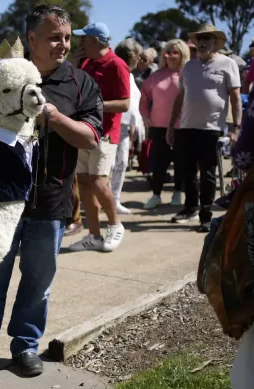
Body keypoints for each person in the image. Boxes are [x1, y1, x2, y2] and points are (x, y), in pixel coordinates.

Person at [0, 4, 103, 380]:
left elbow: (90, 138)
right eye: (55, 37)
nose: (63, 44)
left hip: (51, 200)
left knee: (38, 283)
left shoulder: (81, 84)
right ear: (32, 39)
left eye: (68, 38)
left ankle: (25, 346)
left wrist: (55, 118)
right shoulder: (3, 75)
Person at [166, 24, 242, 232]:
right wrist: (172, 125)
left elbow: (235, 99)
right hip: (187, 126)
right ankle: (189, 208)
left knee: (208, 173)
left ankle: (205, 215)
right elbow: (179, 98)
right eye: (199, 39)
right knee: (187, 172)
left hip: (212, 127)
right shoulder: (188, 67)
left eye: (206, 39)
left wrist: (236, 127)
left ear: (215, 42)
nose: (202, 42)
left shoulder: (228, 64)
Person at [68, 22, 129, 252]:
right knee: (83, 182)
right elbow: (73, 88)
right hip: (84, 130)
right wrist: (74, 64)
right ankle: (93, 236)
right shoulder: (85, 63)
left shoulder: (117, 65)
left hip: (104, 135)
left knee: (98, 182)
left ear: (95, 41)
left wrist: (96, 106)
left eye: (84, 39)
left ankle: (115, 225)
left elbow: (124, 103)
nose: (80, 42)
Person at [140, 39, 191, 209]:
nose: (170, 55)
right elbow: (144, 96)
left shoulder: (187, 74)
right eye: (167, 52)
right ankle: (156, 195)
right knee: (158, 162)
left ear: (183, 54)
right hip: (158, 126)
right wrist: (145, 116)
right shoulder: (156, 75)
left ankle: (178, 192)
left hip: (182, 126)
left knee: (181, 162)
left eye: (175, 52)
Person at [112, 38, 144, 215]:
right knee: (108, 164)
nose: (139, 59)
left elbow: (133, 105)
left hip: (126, 127)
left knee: (122, 162)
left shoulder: (130, 75)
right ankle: (105, 198)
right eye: (137, 56)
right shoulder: (117, 70)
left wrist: (134, 125)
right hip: (112, 123)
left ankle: (115, 198)